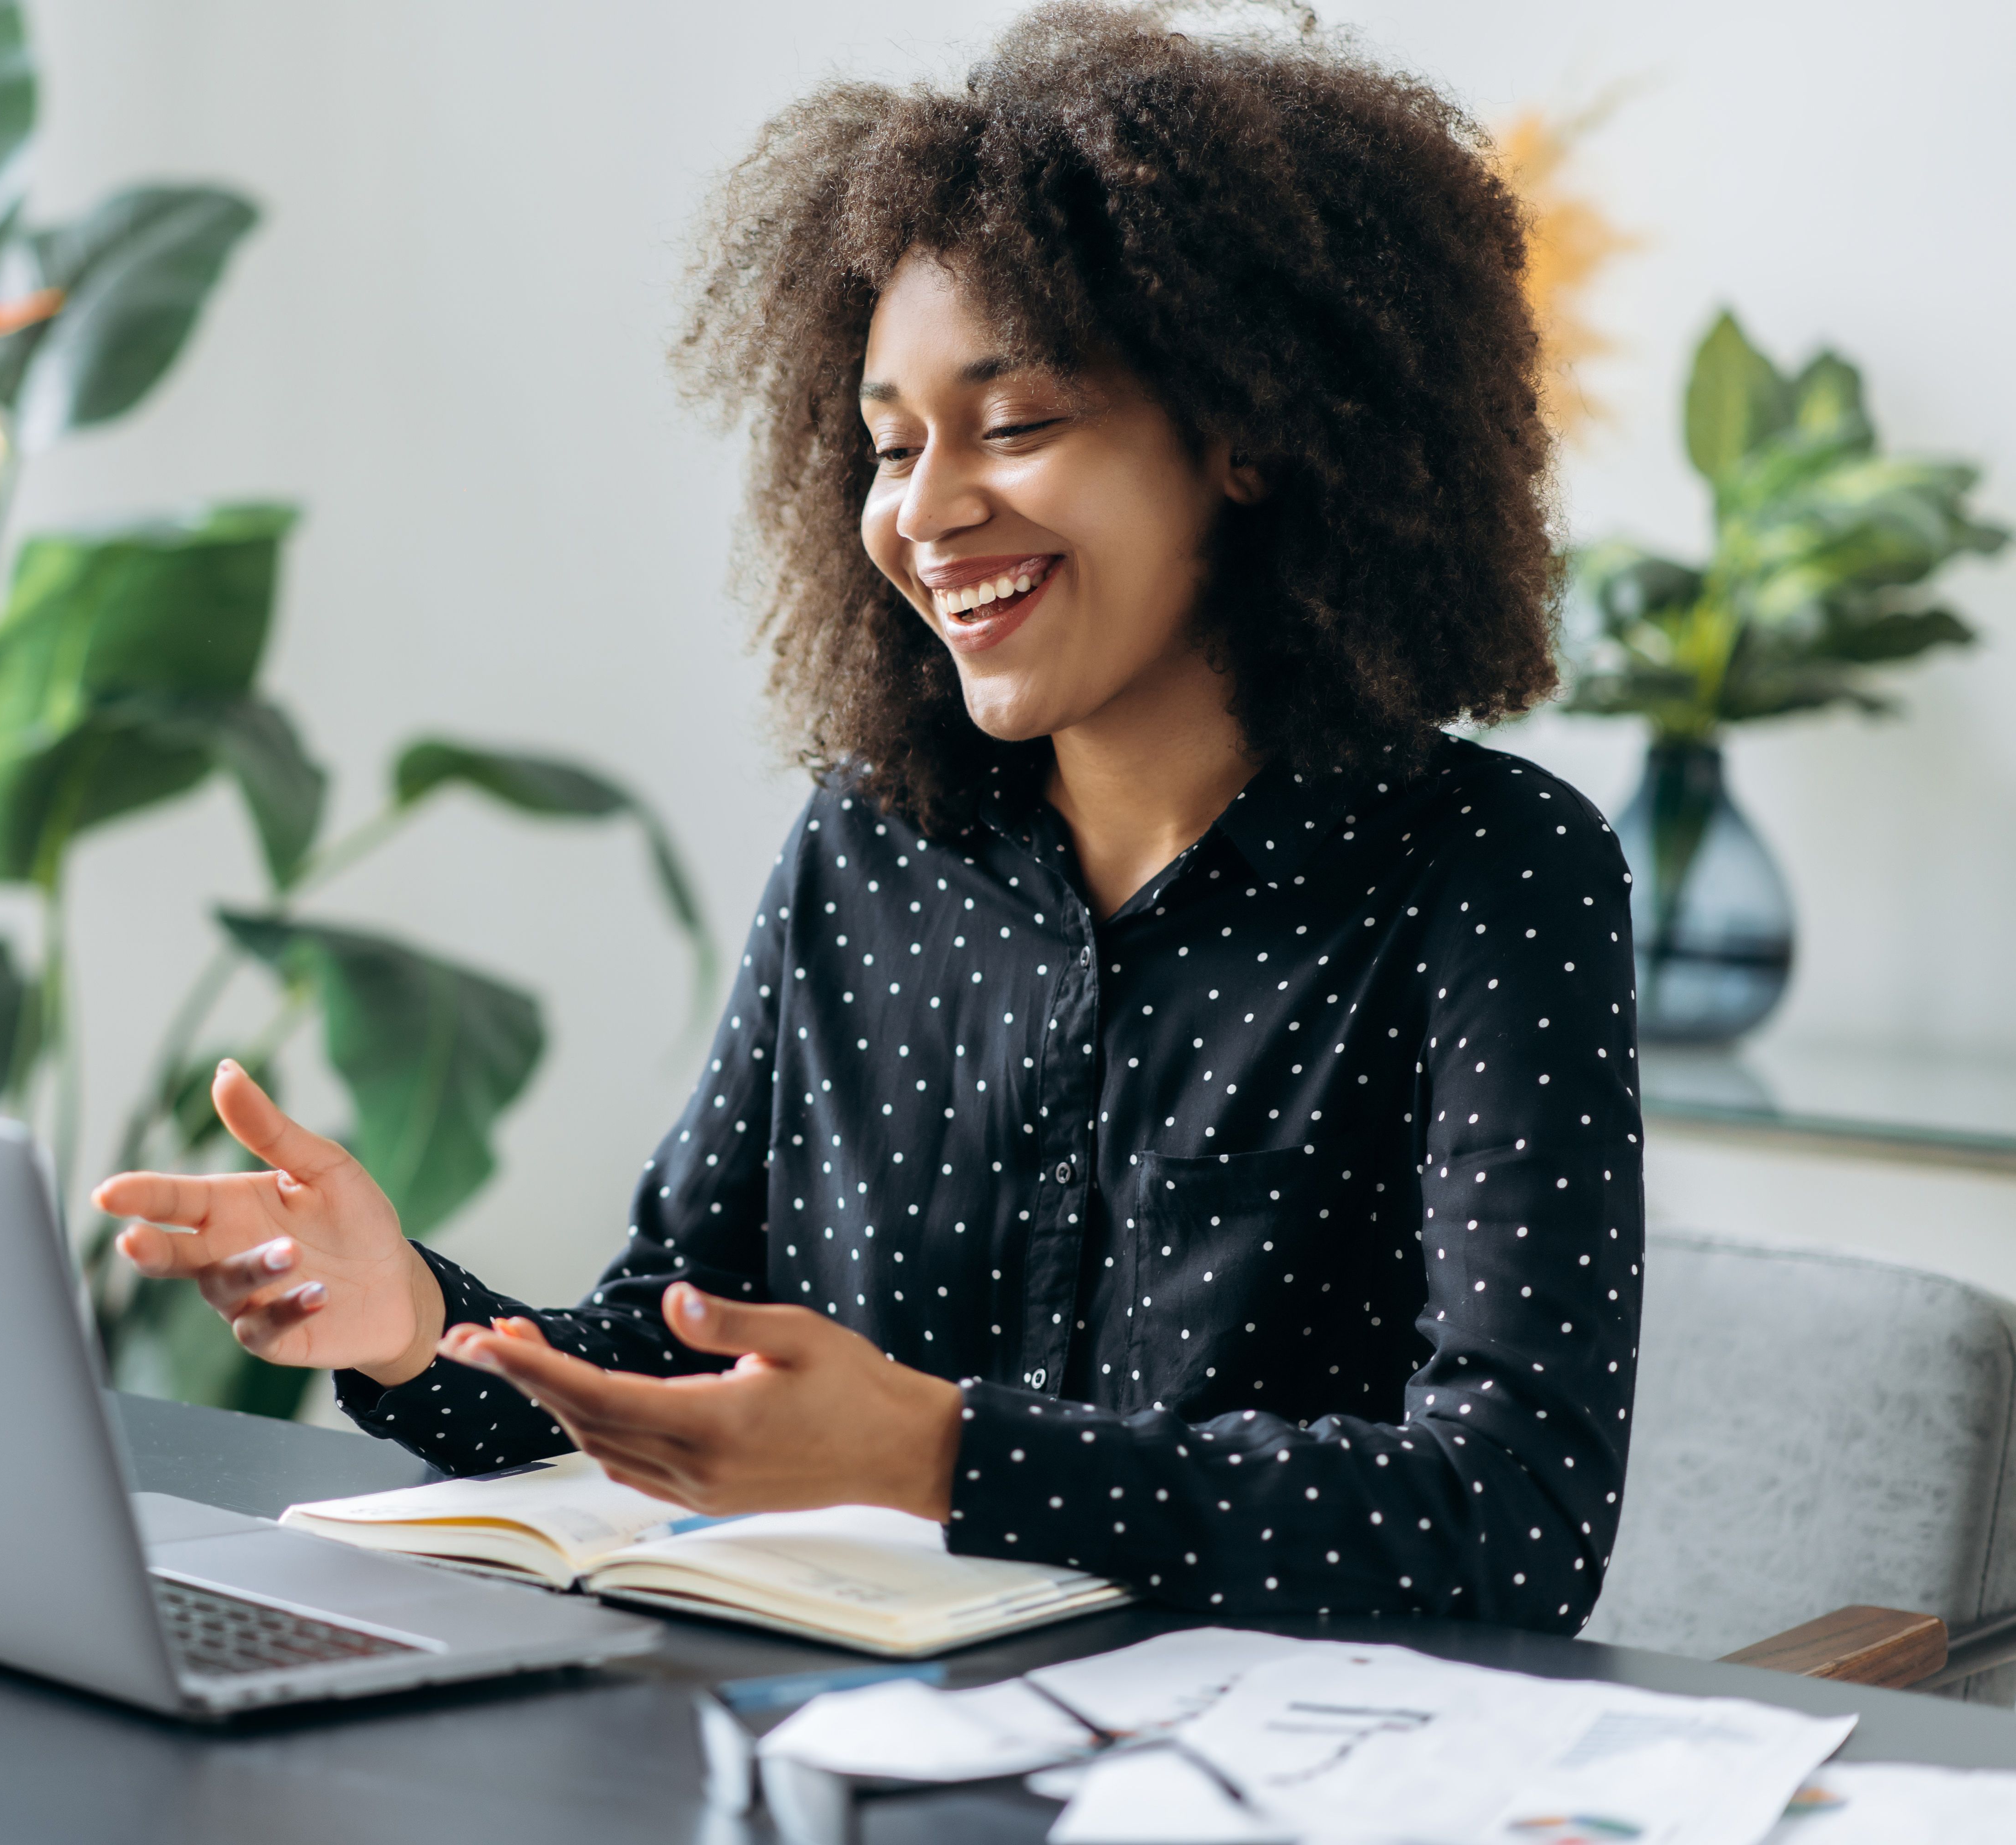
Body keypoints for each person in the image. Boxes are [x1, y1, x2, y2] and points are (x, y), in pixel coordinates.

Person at [94, 0, 1643, 1634]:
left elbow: (1517, 1519)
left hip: (1277, 1747)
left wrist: (942, 1456)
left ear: (1251, 432)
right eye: (891, 446)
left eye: (1016, 424)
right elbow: (675, 1345)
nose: (926, 510)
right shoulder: (870, 847)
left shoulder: (1492, 873)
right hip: (854, 1735)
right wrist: (414, 1322)